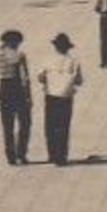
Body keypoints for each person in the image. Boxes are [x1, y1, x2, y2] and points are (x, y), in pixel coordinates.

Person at [37, 33, 84, 166]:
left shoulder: (47, 59)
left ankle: (52, 153)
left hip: (51, 94)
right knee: (63, 126)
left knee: (50, 125)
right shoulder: (74, 61)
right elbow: (79, 81)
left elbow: (40, 77)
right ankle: (61, 156)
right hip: (66, 96)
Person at [0, 30, 32, 166]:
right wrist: (28, 95)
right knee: (25, 122)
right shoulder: (19, 55)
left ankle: (10, 155)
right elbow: (25, 77)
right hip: (17, 88)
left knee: (7, 124)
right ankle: (21, 153)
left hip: (4, 88)